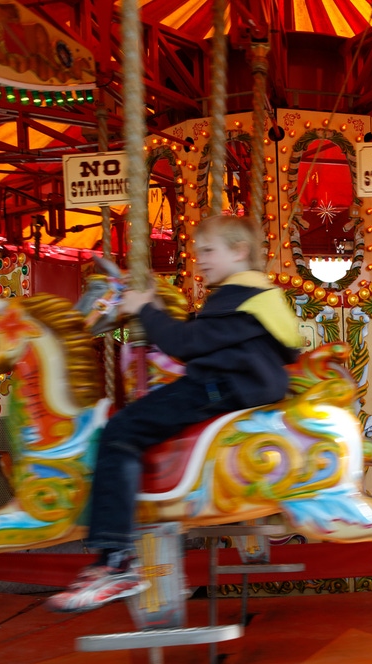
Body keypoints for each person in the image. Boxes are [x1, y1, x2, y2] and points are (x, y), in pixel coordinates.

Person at [47, 216, 302, 613]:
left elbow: (184, 344)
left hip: (219, 388)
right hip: (238, 386)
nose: (199, 259)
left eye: (208, 250)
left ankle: (115, 561)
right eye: (198, 251)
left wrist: (146, 309)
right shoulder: (253, 296)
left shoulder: (239, 296)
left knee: (120, 431)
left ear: (239, 251)